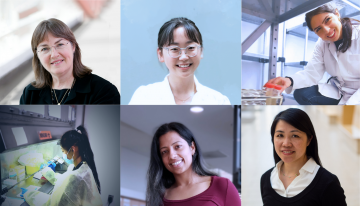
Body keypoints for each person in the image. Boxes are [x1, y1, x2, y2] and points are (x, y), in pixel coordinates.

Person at [265, 3, 360, 105]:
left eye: (327, 20)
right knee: (302, 93)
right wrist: (289, 80)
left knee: (349, 117)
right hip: (340, 91)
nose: (327, 30)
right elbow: (312, 73)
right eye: (318, 29)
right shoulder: (322, 43)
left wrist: (350, 107)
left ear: (336, 14)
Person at [129, 17, 230, 105]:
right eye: (174, 49)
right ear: (160, 54)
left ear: (201, 51)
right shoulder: (144, 97)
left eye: (190, 48)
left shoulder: (219, 101)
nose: (183, 57)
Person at [20, 18, 120, 104]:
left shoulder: (103, 91)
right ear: (37, 55)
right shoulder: (30, 94)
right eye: (44, 49)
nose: (54, 54)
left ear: (73, 46)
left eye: (60, 45)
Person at [260, 108, 346, 205]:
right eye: (280, 135)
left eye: (295, 136)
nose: (286, 143)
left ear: (309, 140)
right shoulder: (266, 179)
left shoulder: (328, 183)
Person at [146, 122, 241, 206]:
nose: (172, 155)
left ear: (192, 147)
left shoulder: (222, 186)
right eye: (164, 152)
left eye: (178, 146)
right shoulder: (160, 198)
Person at [24, 126, 103, 206]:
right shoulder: (83, 167)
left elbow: (55, 203)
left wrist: (30, 194)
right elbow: (65, 180)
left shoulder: (75, 178)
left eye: (63, 151)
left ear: (73, 149)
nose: (64, 154)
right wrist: (48, 173)